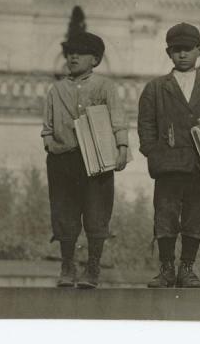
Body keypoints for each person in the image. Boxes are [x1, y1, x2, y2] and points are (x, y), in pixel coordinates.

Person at [137, 22, 200, 288]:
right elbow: (146, 124)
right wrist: (154, 152)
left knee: (196, 216)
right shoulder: (155, 88)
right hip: (168, 165)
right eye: (176, 50)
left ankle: (186, 268)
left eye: (188, 49)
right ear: (168, 53)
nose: (182, 55)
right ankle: (166, 268)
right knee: (165, 215)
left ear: (199, 50)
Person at [41, 31, 129, 289]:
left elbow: (117, 118)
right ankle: (67, 266)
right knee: (64, 213)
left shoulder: (105, 87)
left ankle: (93, 267)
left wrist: (121, 146)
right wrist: (49, 143)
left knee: (96, 213)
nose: (73, 57)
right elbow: (47, 126)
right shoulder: (56, 90)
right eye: (70, 53)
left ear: (96, 59)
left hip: (98, 160)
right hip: (63, 160)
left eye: (80, 52)